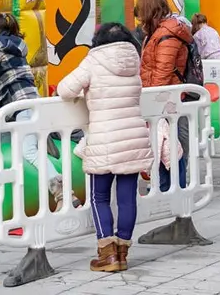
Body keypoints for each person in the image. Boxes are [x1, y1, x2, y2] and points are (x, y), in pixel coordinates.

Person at [57, 22, 154, 273]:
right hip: (133, 136)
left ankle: (107, 254)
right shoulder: (133, 60)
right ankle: (123, 252)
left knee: (99, 196)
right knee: (126, 197)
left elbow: (65, 89)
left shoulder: (93, 60)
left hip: (105, 137)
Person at [0, 12, 66, 205]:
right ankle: (14, 203)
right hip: (30, 102)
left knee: (29, 152)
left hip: (17, 105)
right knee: (5, 151)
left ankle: (61, 191)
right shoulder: (16, 43)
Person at [136, 0, 192, 191]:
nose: (139, 18)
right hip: (162, 97)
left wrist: (151, 101)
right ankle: (167, 186)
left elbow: (163, 71)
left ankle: (173, 188)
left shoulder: (166, 34)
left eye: (141, 13)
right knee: (164, 144)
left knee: (170, 146)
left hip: (165, 99)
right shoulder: (159, 33)